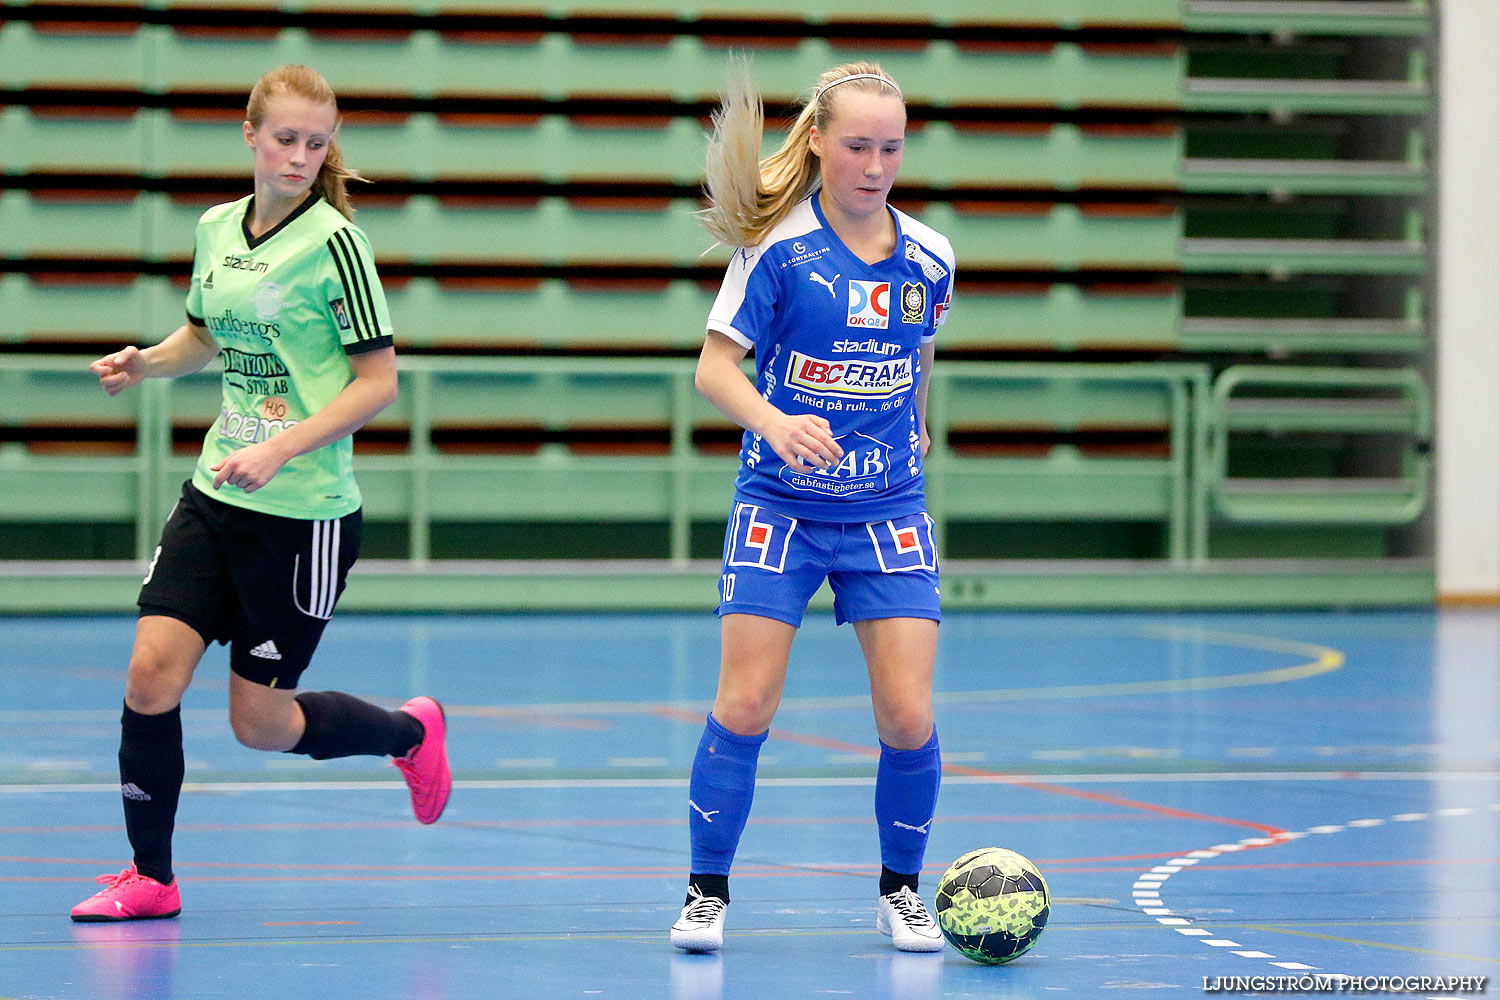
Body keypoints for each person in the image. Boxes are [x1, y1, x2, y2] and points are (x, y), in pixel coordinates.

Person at [70, 65, 450, 923]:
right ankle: (152, 878)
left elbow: (377, 384)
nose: (302, 157)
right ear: (250, 134)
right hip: (217, 492)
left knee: (259, 724)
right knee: (148, 676)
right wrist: (146, 361)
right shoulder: (214, 229)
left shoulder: (338, 246)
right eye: (286, 139)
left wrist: (282, 447)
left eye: (317, 144)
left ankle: (410, 733)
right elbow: (203, 335)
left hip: (303, 514)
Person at [670, 60, 954, 953]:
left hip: (889, 510)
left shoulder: (931, 255)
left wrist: (919, 422)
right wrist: (775, 420)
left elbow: (918, 356)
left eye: (892, 149)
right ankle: (705, 890)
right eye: (859, 146)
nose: (875, 165)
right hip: (782, 508)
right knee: (746, 704)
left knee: (908, 717)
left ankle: (900, 891)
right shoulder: (777, 250)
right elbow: (715, 368)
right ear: (821, 143)